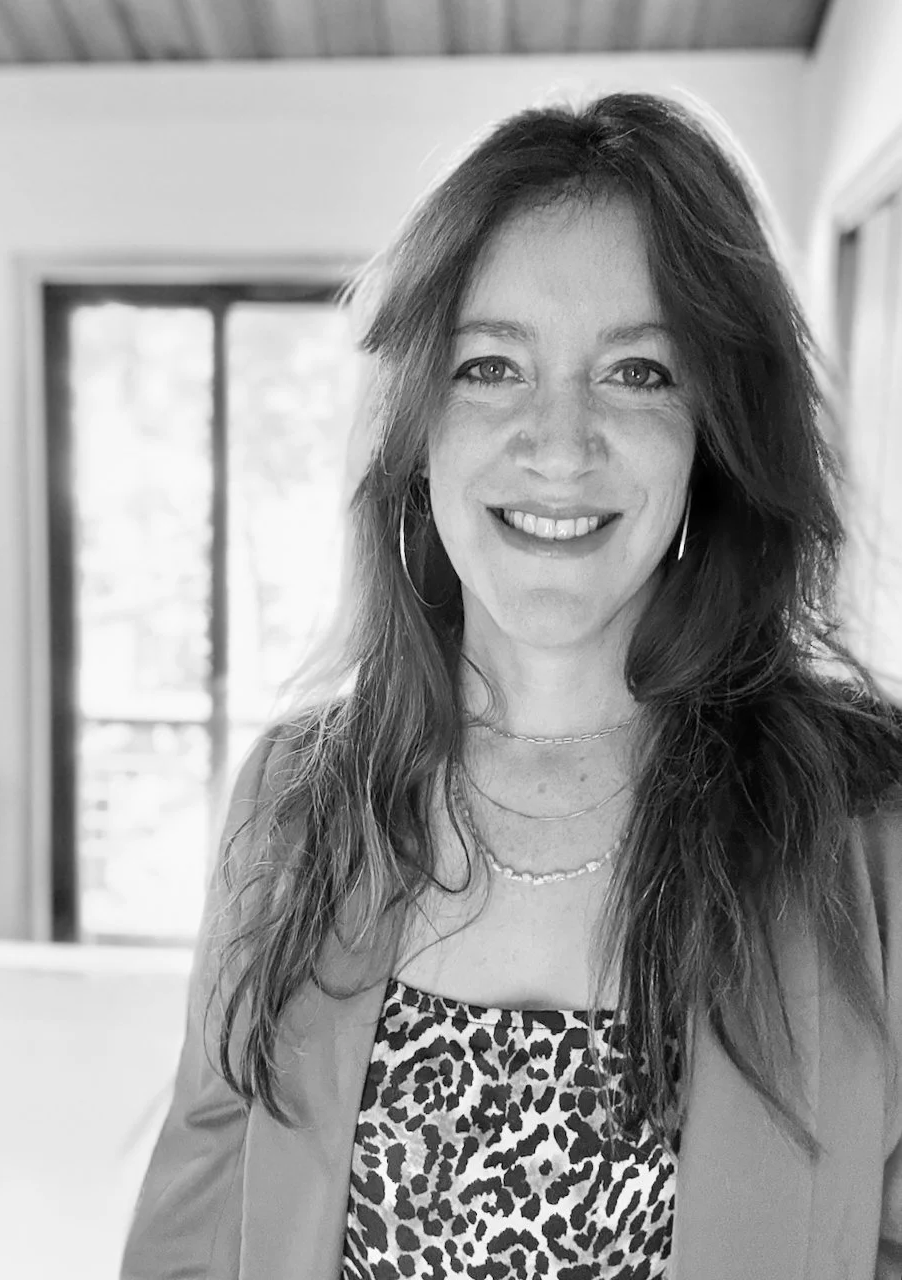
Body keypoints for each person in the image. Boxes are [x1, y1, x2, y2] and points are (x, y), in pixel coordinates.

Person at [120, 91, 902, 1280]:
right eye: (490, 363)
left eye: (638, 371)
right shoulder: (296, 802)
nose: (558, 439)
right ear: (417, 424)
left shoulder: (865, 821)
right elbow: (192, 1231)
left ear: (716, 431)